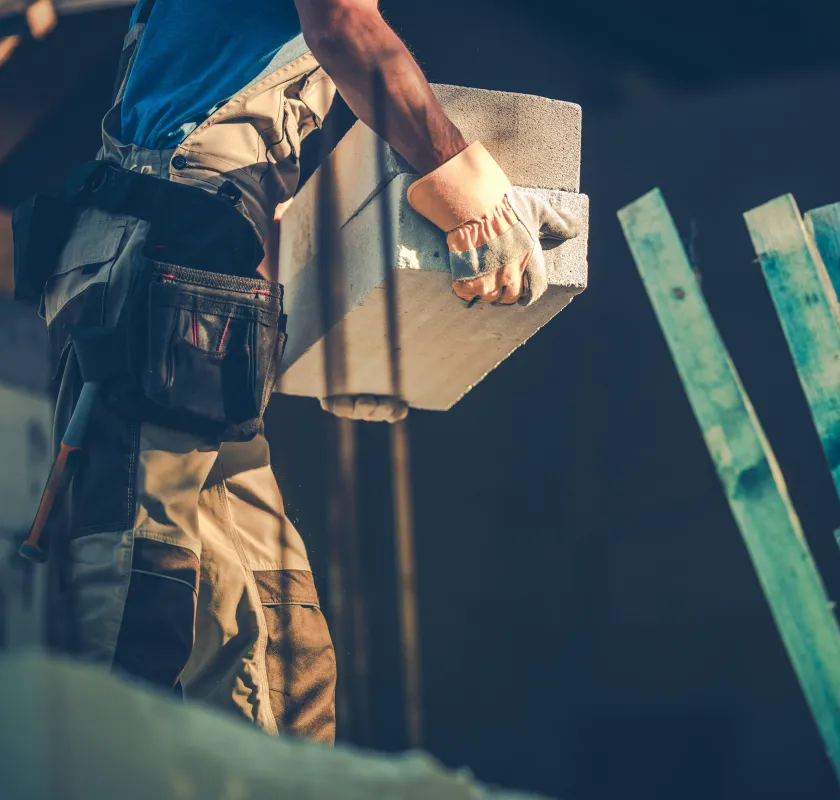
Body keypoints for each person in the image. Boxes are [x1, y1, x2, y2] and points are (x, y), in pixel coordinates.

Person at [14, 0, 578, 744]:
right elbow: (344, 26)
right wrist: (467, 185)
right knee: (136, 590)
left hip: (192, 268)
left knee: (283, 652)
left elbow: (246, 184)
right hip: (158, 268)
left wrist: (371, 347)